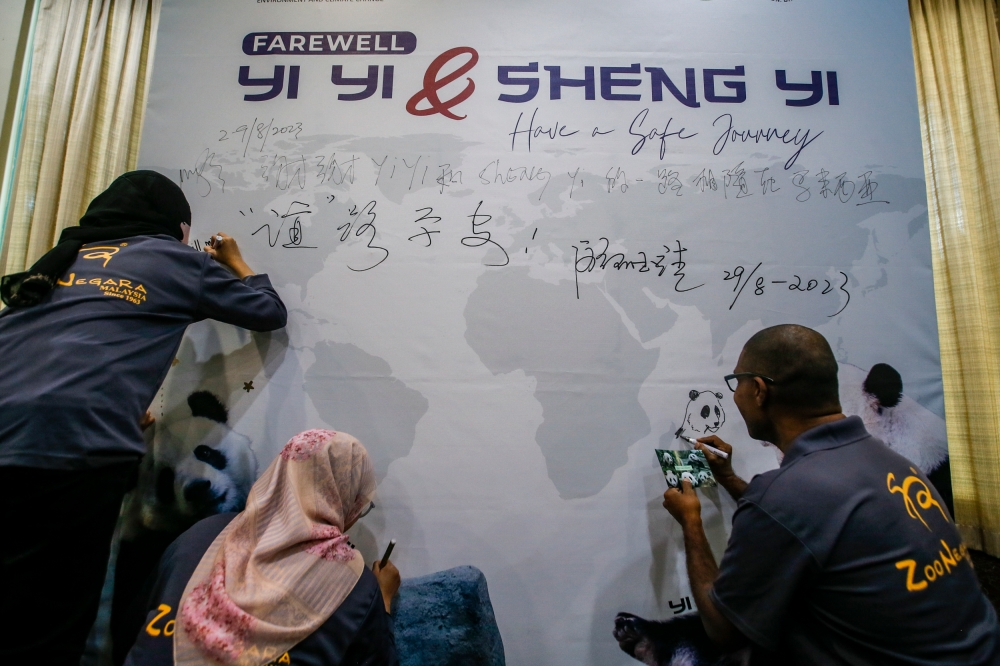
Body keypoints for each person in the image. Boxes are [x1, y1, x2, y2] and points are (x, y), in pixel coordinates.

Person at [0, 170, 287, 665]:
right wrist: (237, 263)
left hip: (15, 428)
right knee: (53, 612)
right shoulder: (177, 260)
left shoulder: (65, 258)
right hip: (71, 443)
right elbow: (267, 311)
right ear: (178, 229)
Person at [661, 324, 1000, 664]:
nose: (734, 396)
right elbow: (805, 522)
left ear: (760, 390)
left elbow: (724, 630)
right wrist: (731, 478)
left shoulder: (785, 495)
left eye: (737, 384)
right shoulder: (896, 463)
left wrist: (691, 520)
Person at [122, 429, 400, 666]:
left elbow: (135, 625)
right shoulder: (356, 588)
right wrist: (384, 601)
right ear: (346, 499)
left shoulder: (203, 533)